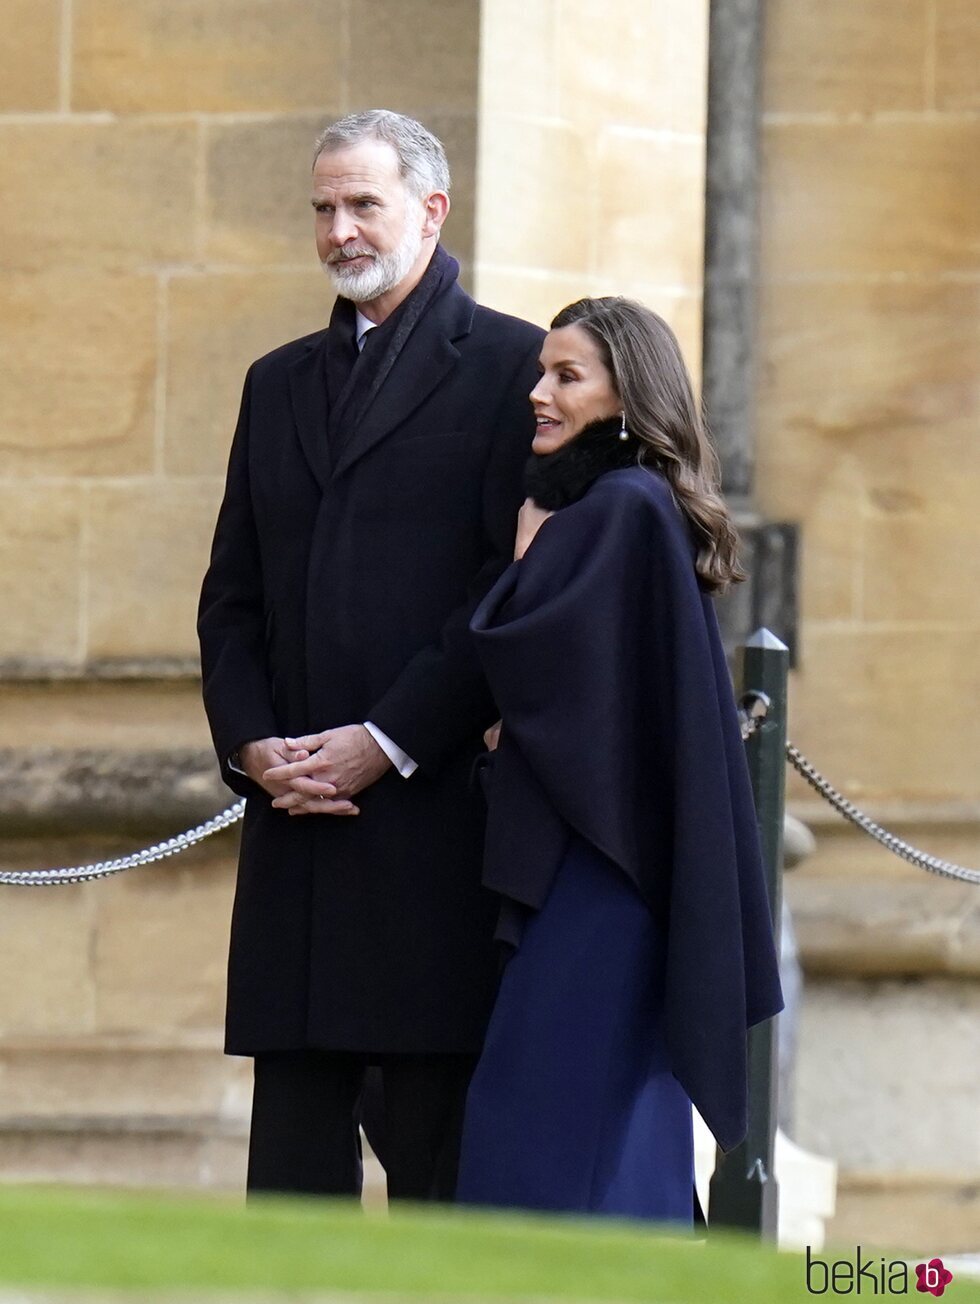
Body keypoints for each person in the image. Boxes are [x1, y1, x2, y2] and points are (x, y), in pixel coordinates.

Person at [197, 110, 543, 1202]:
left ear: (430, 212)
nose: (338, 230)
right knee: (292, 1182)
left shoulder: (513, 365)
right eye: (321, 208)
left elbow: (508, 590)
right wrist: (255, 747)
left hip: (429, 825)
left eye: (362, 205)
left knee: (440, 1174)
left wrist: (385, 740)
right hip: (294, 829)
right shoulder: (275, 380)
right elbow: (230, 596)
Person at [454, 297, 784, 1223]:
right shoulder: (626, 507)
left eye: (567, 376)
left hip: (598, 872)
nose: (538, 393)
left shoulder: (618, 509)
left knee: (547, 1127)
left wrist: (523, 564)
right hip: (610, 868)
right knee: (599, 1117)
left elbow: (542, 681)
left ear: (628, 397)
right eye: (542, 372)